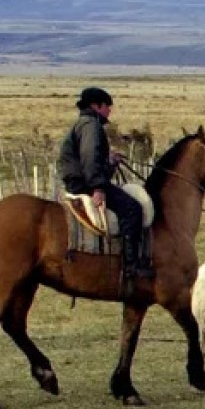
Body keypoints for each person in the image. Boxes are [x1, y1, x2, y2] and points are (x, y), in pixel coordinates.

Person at [57, 86, 151, 282]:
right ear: (96, 106)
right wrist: (98, 188)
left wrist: (110, 160)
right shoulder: (91, 125)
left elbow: (91, 157)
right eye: (107, 106)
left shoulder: (83, 123)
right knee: (132, 208)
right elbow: (90, 159)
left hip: (80, 179)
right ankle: (131, 266)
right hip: (85, 183)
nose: (109, 110)